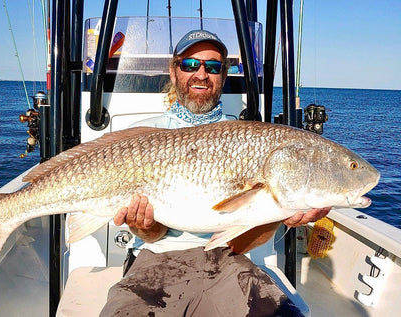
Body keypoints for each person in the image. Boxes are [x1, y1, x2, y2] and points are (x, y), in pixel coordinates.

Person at [100, 29, 330, 316]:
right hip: (154, 261)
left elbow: (239, 242)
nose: (201, 74)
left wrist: (279, 214)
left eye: (212, 66)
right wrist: (143, 225)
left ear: (223, 74)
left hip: (230, 263)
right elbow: (154, 235)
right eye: (190, 64)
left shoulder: (249, 138)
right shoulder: (140, 137)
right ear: (174, 72)